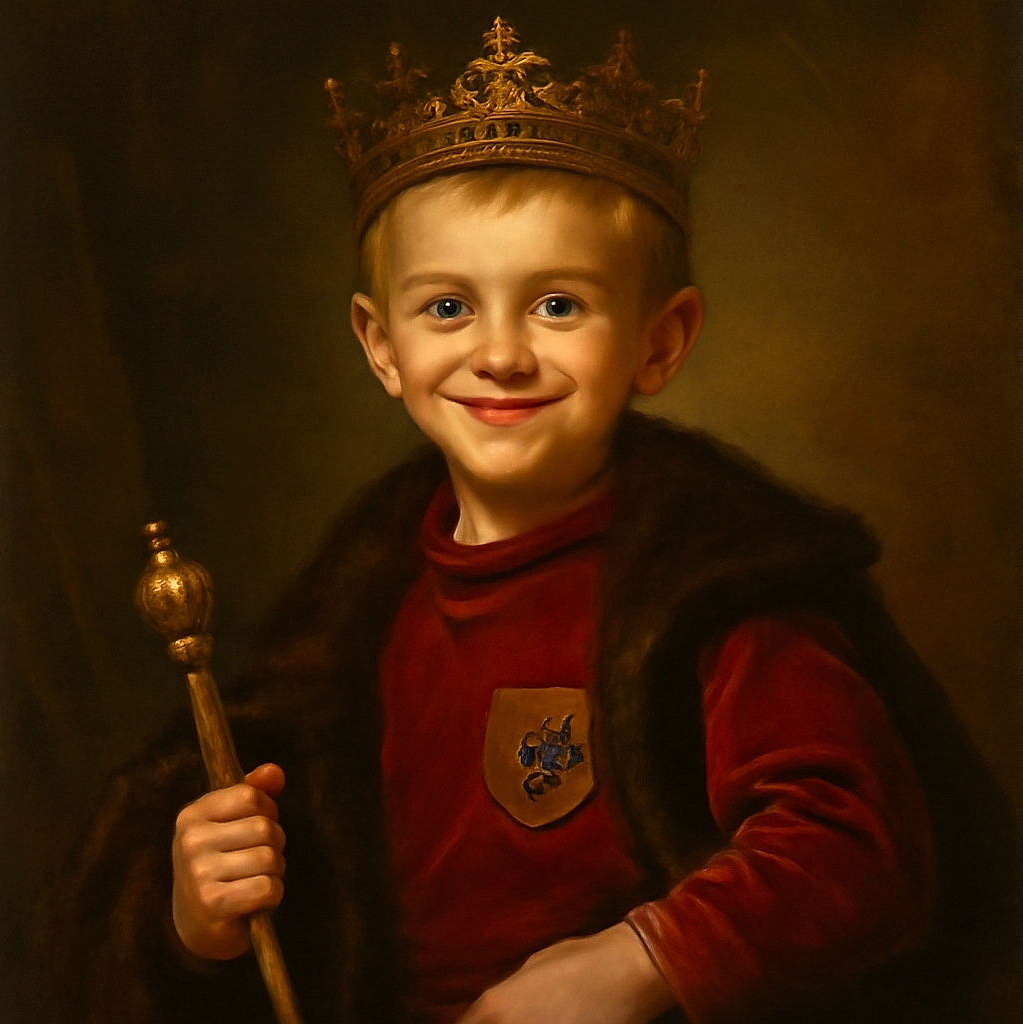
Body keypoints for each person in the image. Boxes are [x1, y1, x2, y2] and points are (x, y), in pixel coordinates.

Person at [50, 17, 1017, 1024]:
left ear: (661, 339)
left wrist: (636, 961)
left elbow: (855, 846)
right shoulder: (349, 615)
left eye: (558, 305)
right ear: (381, 348)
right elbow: (306, 916)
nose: (501, 353)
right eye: (447, 309)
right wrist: (197, 913)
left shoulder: (713, 584)